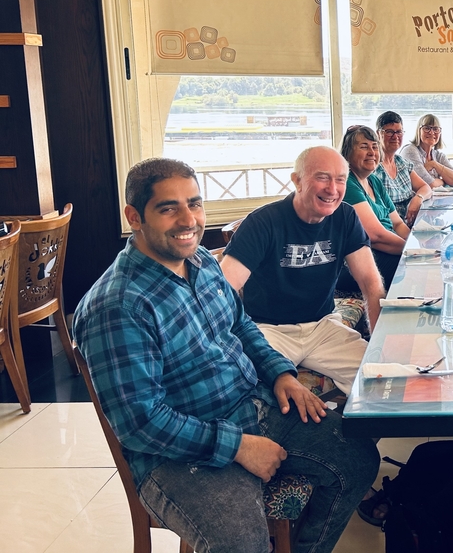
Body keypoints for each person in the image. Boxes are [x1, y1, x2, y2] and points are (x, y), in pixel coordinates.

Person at [73, 158, 380, 553]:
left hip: (252, 407)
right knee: (242, 543)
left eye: (194, 204)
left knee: (357, 459)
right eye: (168, 208)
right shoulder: (117, 306)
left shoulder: (200, 261)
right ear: (134, 217)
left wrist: (280, 374)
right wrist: (238, 447)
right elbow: (141, 423)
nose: (188, 220)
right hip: (180, 454)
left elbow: (241, 325)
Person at [220, 146, 385, 394]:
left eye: (340, 179)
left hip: (323, 326)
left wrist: (380, 344)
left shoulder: (345, 216)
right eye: (322, 177)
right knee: (243, 390)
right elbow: (223, 291)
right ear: (297, 180)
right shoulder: (263, 222)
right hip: (269, 330)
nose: (333, 189)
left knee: (381, 377)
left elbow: (370, 282)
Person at [338, 125, 410, 291]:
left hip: (384, 251)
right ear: (347, 153)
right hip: (358, 260)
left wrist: (416, 246)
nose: (372, 152)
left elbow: (398, 224)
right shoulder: (347, 184)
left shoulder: (373, 180)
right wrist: (412, 251)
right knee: (415, 271)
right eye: (364, 147)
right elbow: (375, 237)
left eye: (375, 147)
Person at [373, 111, 433, 226]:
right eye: (389, 132)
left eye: (399, 132)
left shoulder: (402, 163)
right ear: (378, 134)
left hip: (411, 225)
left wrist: (418, 198)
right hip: (390, 228)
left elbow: (426, 188)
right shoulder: (373, 168)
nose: (395, 136)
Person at [400, 113, 453, 187]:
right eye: (427, 128)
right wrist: (443, 181)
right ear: (419, 131)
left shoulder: (438, 155)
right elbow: (428, 184)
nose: (431, 132)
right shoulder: (410, 151)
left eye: (435, 129)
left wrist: (434, 164)